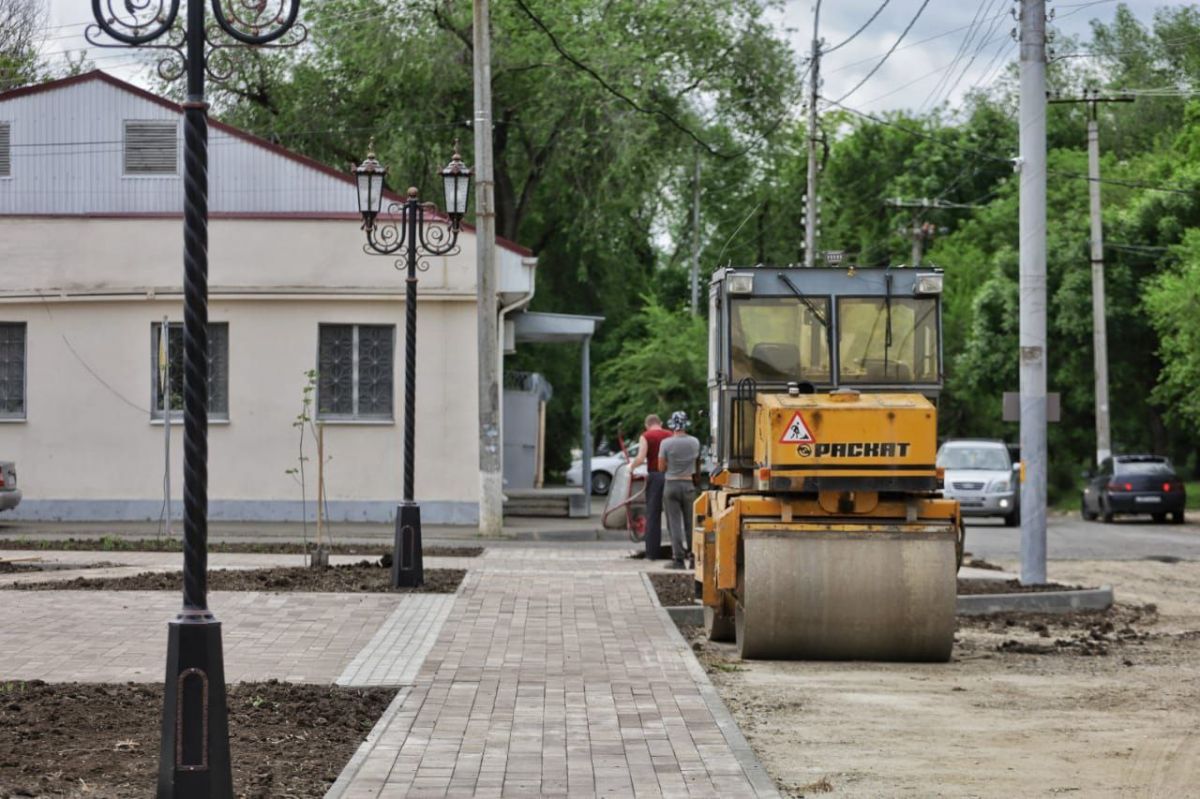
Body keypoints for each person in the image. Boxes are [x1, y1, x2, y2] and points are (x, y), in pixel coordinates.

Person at [658, 410, 701, 569]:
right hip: (688, 484)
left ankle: (678, 559)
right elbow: (697, 464)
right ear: (686, 424)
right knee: (691, 523)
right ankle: (693, 558)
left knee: (674, 523)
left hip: (671, 485)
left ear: (672, 425)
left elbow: (661, 467)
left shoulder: (666, 443)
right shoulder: (694, 442)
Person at [629, 414, 672, 559]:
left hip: (655, 476)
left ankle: (652, 552)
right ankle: (677, 551)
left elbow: (641, 458)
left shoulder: (646, 436)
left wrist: (631, 467)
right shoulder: (670, 435)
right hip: (671, 476)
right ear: (661, 423)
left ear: (646, 425)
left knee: (653, 514)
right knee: (673, 514)